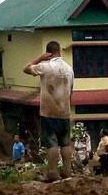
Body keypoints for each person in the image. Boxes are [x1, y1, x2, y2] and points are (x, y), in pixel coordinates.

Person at [23, 41, 74, 181]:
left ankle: (52, 173)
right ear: (59, 51)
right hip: (65, 111)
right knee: (65, 143)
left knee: (52, 143)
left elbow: (26, 69)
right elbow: (71, 91)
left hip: (49, 111)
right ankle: (67, 171)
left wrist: (39, 58)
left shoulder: (45, 66)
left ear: (48, 53)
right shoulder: (69, 69)